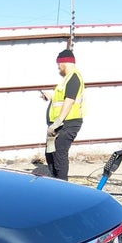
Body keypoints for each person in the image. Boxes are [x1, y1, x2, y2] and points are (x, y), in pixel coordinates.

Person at [41, 48, 84, 180]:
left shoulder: (73, 77)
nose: (58, 69)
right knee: (50, 153)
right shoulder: (67, 79)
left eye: (58, 65)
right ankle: (55, 180)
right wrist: (51, 97)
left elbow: (69, 101)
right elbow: (62, 99)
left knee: (59, 153)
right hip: (61, 123)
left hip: (68, 123)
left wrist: (58, 121)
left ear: (63, 63)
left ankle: (62, 184)